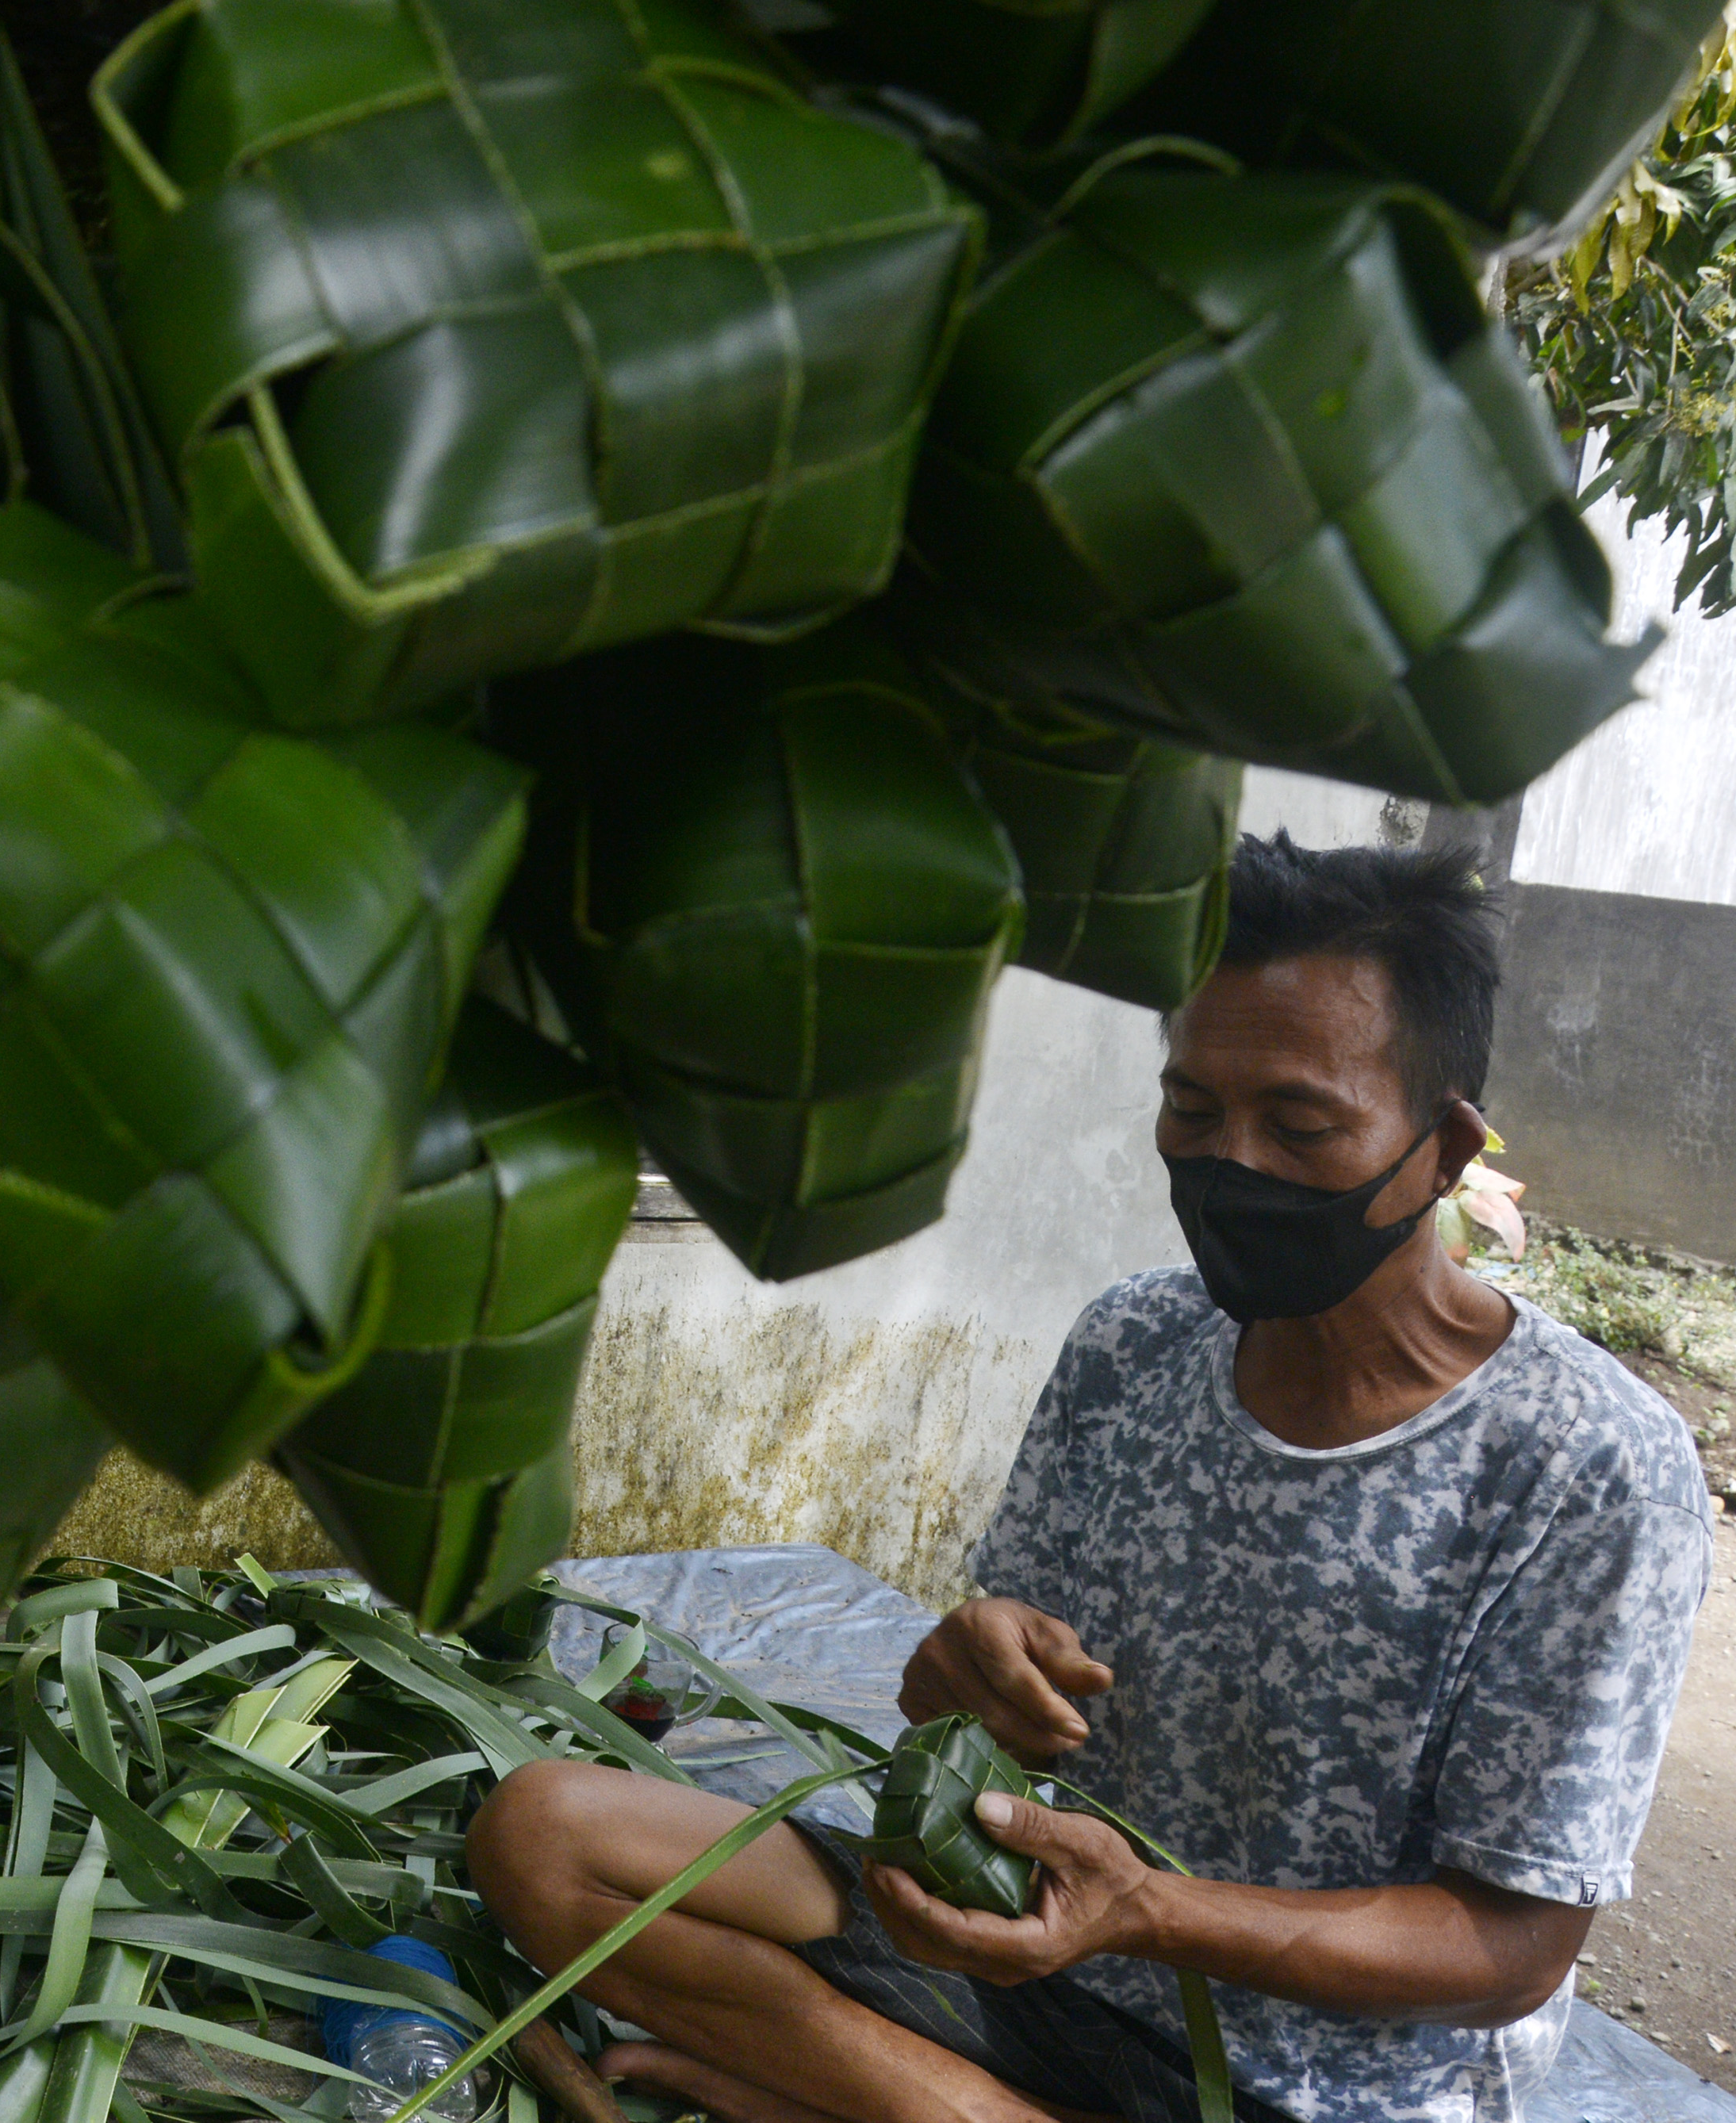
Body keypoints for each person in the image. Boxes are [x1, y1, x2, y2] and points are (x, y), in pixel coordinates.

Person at [466, 834, 1711, 2123]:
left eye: (1299, 1123)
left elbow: (1511, 1949)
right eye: (1193, 1110)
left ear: (1443, 1150)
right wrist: (960, 1673)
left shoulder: (1588, 1467)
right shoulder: (1136, 1343)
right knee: (545, 1834)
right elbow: (999, 1718)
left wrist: (1144, 1911)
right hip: (1034, 1955)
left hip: (1313, 2087)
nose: (1232, 1163)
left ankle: (848, 2088)